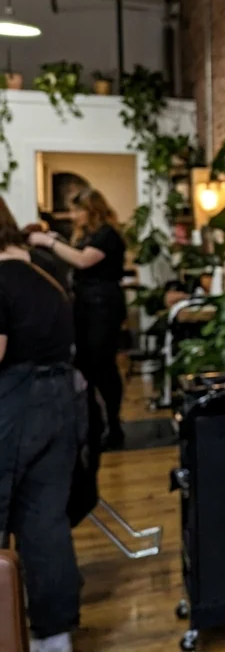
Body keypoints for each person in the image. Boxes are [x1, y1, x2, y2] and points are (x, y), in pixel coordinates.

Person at [0, 196, 81, 652]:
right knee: (45, 524)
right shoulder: (47, 273)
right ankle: (55, 638)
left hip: (15, 407)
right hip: (61, 403)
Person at [30, 187, 128, 449]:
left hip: (102, 306)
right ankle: (97, 424)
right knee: (89, 365)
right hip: (88, 306)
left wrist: (51, 243)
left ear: (91, 210)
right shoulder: (92, 235)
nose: (74, 216)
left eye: (78, 210)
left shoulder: (107, 235)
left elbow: (83, 261)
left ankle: (112, 425)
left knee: (101, 365)